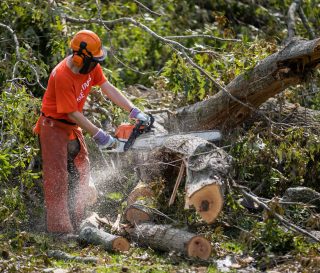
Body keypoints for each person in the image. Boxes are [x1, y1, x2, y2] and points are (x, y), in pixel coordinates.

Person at [33, 29, 150, 234]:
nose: (97, 64)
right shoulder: (62, 75)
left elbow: (107, 87)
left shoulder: (91, 66)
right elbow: (71, 112)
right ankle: (60, 232)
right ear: (80, 57)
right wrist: (100, 135)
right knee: (57, 180)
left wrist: (133, 111)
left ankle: (80, 222)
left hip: (71, 127)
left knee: (82, 172)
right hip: (52, 128)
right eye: (94, 60)